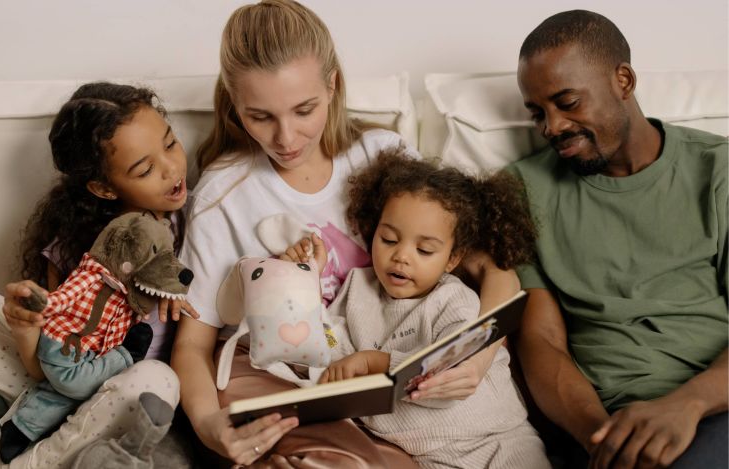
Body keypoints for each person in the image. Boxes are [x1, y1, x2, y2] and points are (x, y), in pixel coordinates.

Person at [172, 1, 522, 466]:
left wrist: (475, 355)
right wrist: (206, 424)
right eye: (260, 116)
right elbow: (193, 346)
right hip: (288, 383)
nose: (286, 137)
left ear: (332, 85)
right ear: (235, 105)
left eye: (304, 109)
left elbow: (494, 269)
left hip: (380, 384)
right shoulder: (224, 195)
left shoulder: (380, 155)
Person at [508, 10, 728, 469]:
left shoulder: (717, 172)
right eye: (538, 114)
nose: (553, 127)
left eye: (567, 102)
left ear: (623, 80)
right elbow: (541, 339)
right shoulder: (523, 190)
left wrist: (686, 406)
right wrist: (601, 440)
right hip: (600, 424)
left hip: (714, 408)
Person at [0, 81, 197, 466]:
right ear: (104, 188)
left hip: (130, 394)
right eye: (145, 169)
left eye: (170, 143)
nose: (171, 168)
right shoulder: (72, 248)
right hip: (61, 382)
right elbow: (49, 368)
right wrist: (26, 327)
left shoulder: (195, 220)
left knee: (157, 379)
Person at [292, 149, 549, 469]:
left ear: (453, 259)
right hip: (429, 455)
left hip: (497, 439)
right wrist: (307, 282)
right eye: (388, 240)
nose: (401, 256)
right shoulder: (358, 287)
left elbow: (445, 375)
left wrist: (372, 362)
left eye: (424, 249)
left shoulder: (454, 300)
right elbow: (326, 341)